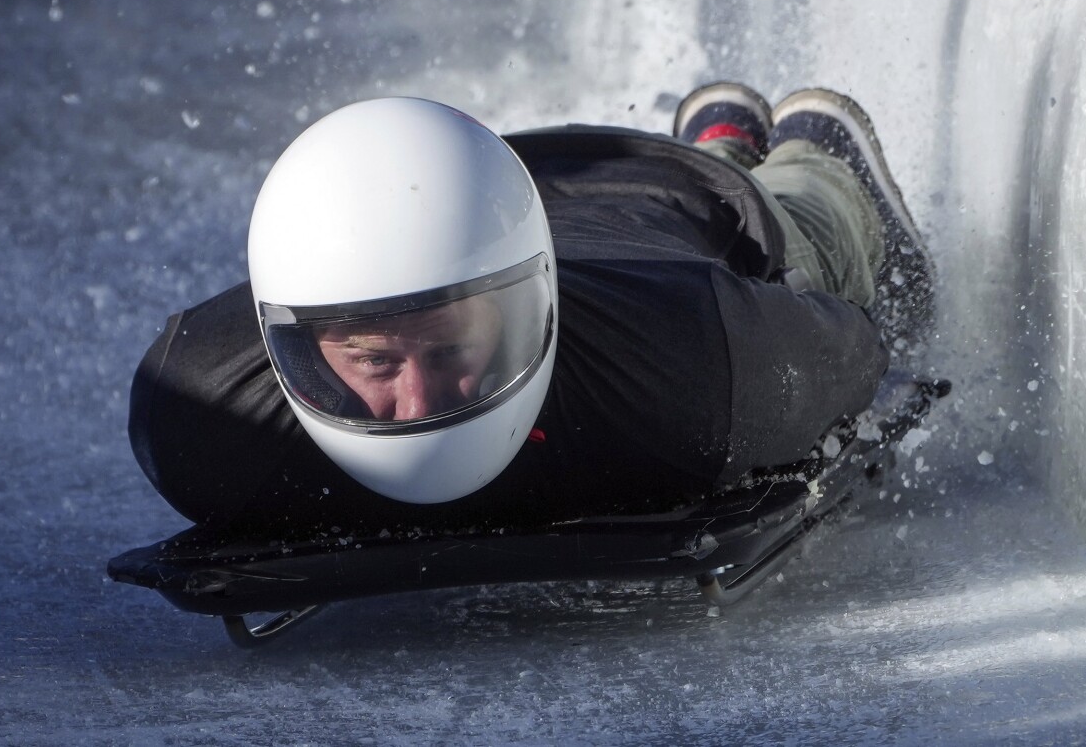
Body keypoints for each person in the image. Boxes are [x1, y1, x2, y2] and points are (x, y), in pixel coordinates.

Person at [127, 84, 934, 536]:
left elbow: (858, 348)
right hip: (496, 187)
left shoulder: (707, 365)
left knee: (803, 226)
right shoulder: (196, 414)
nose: (420, 405)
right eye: (376, 360)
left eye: (449, 350)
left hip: (670, 210)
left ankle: (801, 146)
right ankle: (719, 130)